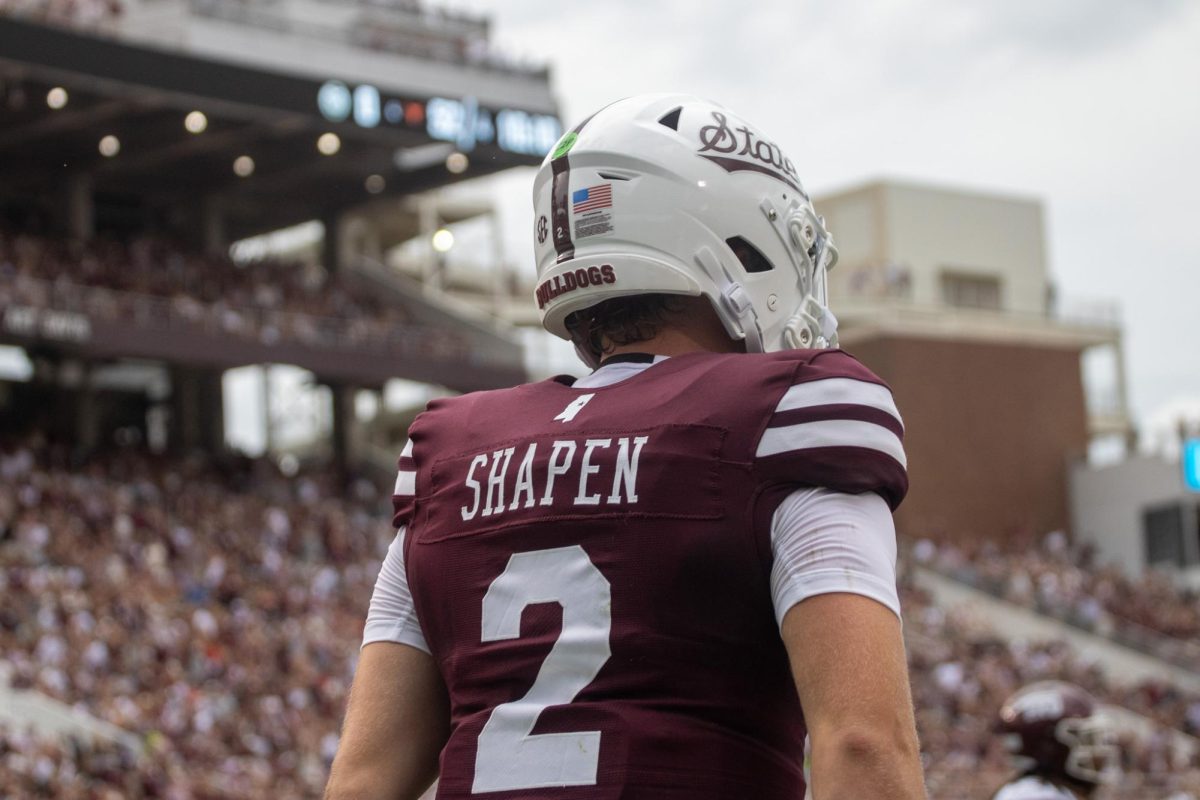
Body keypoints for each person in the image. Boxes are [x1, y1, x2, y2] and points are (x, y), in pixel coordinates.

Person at [326, 94, 926, 799]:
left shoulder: (449, 454)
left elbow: (364, 779)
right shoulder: (789, 413)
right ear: (733, 242)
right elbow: (863, 744)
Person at [991, 681, 1119, 799]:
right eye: (1085, 739)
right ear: (1049, 748)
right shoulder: (1037, 795)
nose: (1099, 754)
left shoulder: (1026, 791)